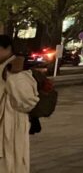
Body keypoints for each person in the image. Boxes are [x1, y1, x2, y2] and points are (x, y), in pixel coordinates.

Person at [0, 35, 38, 173]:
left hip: (10, 128)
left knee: (10, 164)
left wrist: (15, 75)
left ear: (8, 48)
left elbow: (27, 103)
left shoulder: (18, 70)